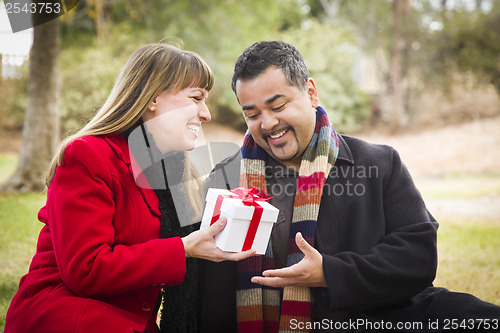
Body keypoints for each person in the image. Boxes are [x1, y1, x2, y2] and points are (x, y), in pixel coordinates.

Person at [197, 41, 500, 332]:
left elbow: (417, 258)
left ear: (311, 92)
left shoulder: (379, 163)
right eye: (252, 114)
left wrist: (329, 274)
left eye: (277, 105)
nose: (267, 123)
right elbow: (203, 292)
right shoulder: (225, 178)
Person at [5, 43, 255, 333]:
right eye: (196, 98)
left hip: (129, 321)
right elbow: (85, 270)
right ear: (152, 99)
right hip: (67, 315)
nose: (206, 113)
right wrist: (183, 248)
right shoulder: (87, 155)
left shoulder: (172, 172)